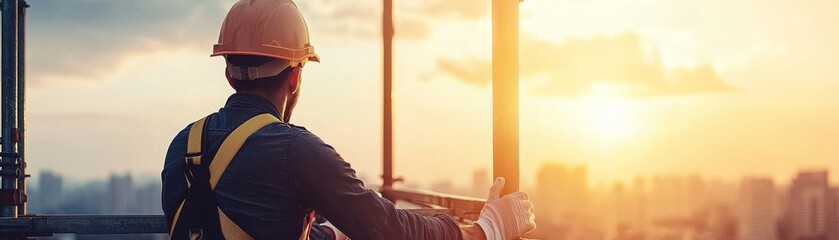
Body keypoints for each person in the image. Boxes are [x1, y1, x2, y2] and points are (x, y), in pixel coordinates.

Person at [161, 0, 536, 239]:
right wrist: (485, 230)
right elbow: (388, 230)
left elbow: (230, 223)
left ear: (228, 72)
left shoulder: (183, 144)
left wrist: (327, 233)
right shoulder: (296, 151)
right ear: (295, 76)